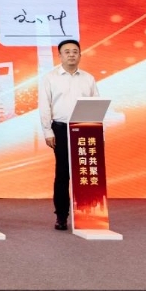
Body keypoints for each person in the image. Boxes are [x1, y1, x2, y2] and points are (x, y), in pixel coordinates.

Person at [39, 39, 99, 231]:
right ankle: (61, 216)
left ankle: (88, 212)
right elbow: (44, 106)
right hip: (61, 128)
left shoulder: (88, 78)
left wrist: (100, 131)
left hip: (86, 128)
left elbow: (96, 105)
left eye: (75, 51)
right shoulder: (50, 78)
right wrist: (47, 131)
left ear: (80, 55)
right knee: (63, 173)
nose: (71, 55)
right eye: (67, 52)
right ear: (60, 56)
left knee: (87, 172)